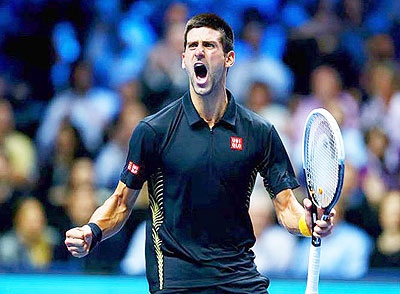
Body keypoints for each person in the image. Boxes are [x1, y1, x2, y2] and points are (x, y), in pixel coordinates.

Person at [65, 14, 335, 294]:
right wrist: (93, 231)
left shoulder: (259, 132)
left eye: (209, 45)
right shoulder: (154, 131)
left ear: (229, 58)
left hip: (239, 279)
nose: (199, 52)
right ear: (184, 60)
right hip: (176, 282)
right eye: (192, 46)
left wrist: (308, 223)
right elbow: (121, 202)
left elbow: (286, 207)